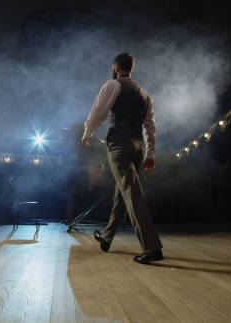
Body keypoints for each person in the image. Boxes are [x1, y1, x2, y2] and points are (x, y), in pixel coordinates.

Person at [82, 53, 163, 264]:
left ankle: (152, 248)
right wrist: (150, 153)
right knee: (122, 194)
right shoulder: (144, 94)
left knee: (131, 194)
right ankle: (107, 237)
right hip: (137, 146)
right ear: (131, 69)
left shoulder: (113, 85)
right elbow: (150, 126)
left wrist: (88, 132)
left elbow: (98, 110)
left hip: (119, 145)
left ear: (116, 66)